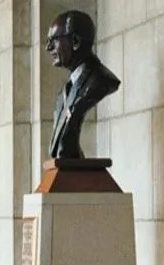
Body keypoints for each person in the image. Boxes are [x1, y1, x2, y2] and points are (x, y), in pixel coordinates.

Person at [44, 10, 122, 161]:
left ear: (75, 42)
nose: (48, 48)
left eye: (54, 40)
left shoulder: (100, 80)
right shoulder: (64, 94)